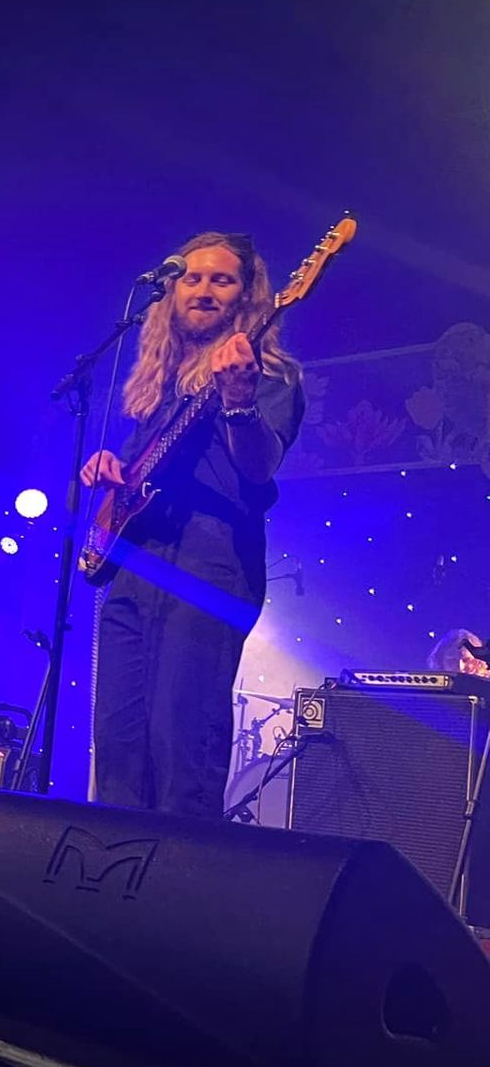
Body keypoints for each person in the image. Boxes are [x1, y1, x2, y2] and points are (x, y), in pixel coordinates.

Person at [82, 232, 304, 818]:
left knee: (184, 741)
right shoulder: (157, 388)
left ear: (246, 297)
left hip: (212, 561)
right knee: (120, 745)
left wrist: (237, 397)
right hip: (136, 567)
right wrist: (114, 473)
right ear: (170, 292)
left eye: (221, 280)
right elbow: (137, 478)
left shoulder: (269, 374)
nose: (204, 290)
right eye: (192, 278)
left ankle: (180, 893)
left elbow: (259, 472)